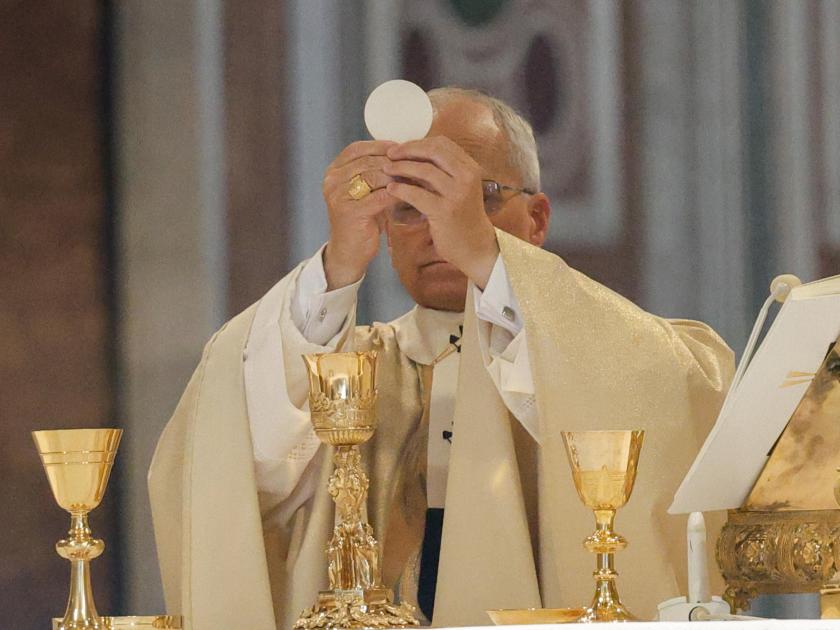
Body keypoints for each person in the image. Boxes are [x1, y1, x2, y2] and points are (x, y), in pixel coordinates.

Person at [148, 87, 734, 629]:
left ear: (537, 220)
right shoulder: (342, 365)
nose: (438, 225)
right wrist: (336, 269)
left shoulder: (620, 348)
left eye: (476, 198)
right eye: (410, 205)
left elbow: (670, 398)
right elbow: (223, 437)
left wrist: (486, 258)